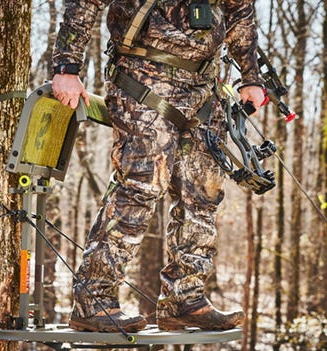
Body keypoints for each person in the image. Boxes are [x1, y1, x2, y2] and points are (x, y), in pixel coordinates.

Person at [51, 0, 265, 332]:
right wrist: (67, 66)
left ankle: (186, 300)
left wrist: (251, 77)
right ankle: (94, 298)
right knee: (141, 186)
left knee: (204, 194)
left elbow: (240, 13)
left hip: (204, 88)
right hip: (143, 76)